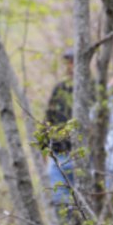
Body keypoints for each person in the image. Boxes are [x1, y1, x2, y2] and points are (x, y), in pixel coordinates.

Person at [44, 48, 78, 212]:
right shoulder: (60, 89)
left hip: (82, 158)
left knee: (82, 206)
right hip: (58, 156)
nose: (71, 66)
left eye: (74, 61)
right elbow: (48, 120)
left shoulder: (93, 90)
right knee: (60, 205)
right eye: (69, 62)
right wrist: (45, 151)